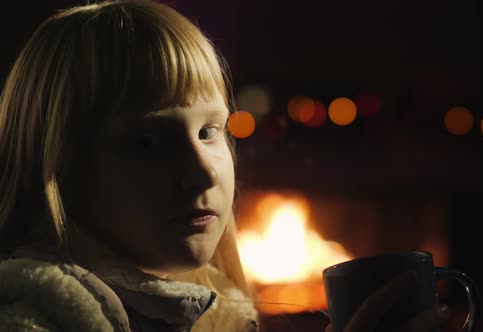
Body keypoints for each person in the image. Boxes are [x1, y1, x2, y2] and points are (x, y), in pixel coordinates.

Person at [0, 1, 450, 331]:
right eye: (147, 141)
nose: (203, 172)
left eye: (210, 131)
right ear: (60, 166)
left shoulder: (211, 318)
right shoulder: (33, 317)